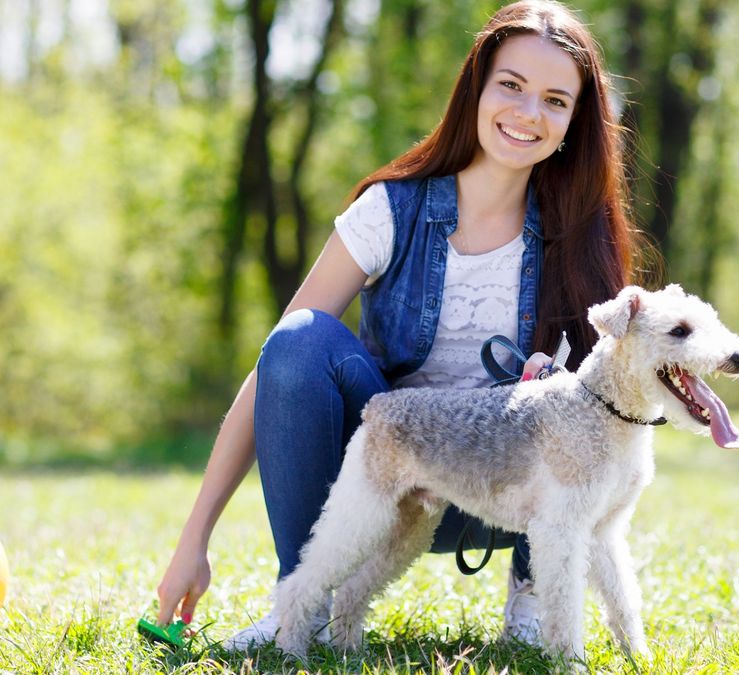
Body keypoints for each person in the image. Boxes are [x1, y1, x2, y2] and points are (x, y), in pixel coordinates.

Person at [153, 0, 649, 650]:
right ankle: (302, 604)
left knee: (577, 411)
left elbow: (610, 413)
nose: (529, 113)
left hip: (513, 501)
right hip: (385, 481)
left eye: (556, 101)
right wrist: (195, 538)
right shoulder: (391, 210)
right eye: (511, 86)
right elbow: (276, 366)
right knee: (302, 338)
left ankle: (531, 599)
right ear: (477, 87)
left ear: (572, 123)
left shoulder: (581, 236)